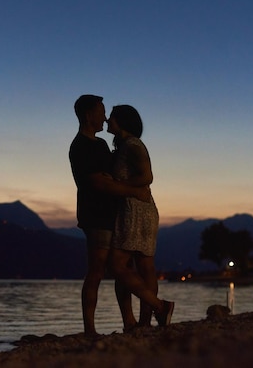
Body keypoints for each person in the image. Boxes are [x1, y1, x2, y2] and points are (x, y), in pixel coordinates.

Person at [69, 94, 143, 337]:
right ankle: (89, 328)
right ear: (89, 115)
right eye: (101, 112)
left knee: (122, 267)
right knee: (97, 270)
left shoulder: (100, 145)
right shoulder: (80, 146)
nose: (105, 117)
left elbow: (112, 176)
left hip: (116, 214)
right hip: (96, 215)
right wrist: (135, 190)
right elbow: (99, 183)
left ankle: (129, 321)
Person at [106, 104, 174, 327]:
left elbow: (147, 177)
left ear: (123, 121)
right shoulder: (126, 146)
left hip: (134, 210)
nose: (108, 120)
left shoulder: (133, 146)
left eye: (112, 118)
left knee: (118, 265)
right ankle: (141, 323)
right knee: (145, 267)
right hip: (141, 208)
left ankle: (157, 307)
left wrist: (117, 185)